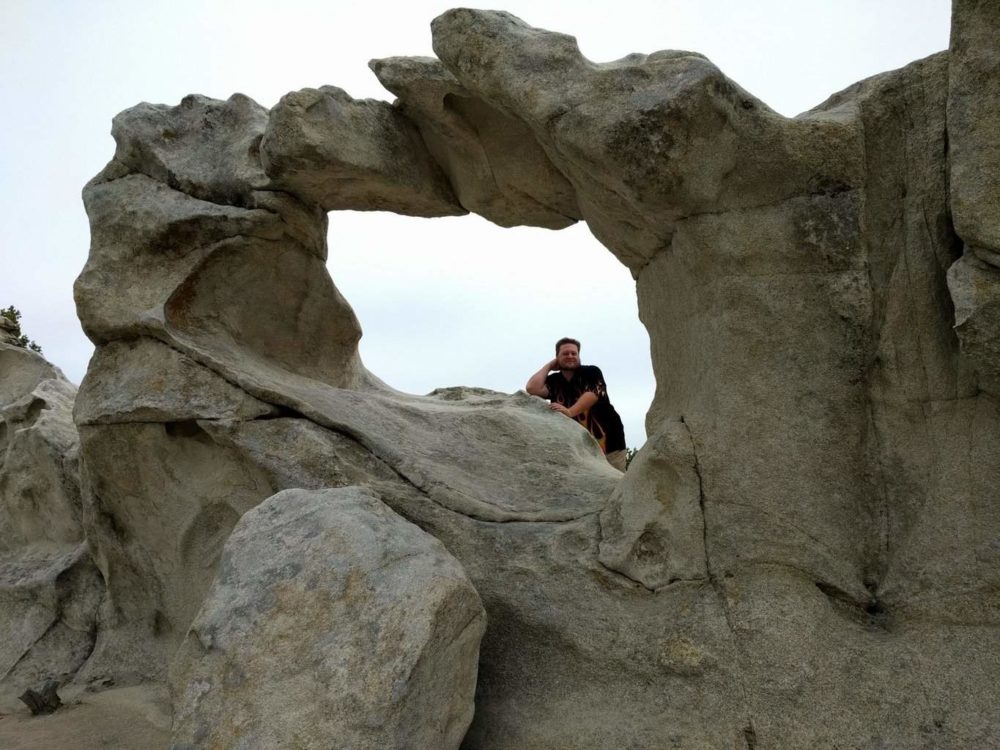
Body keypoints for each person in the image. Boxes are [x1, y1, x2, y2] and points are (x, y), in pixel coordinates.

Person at [525, 337, 628, 472]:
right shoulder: (555, 381)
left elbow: (593, 394)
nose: (570, 356)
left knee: (616, 484)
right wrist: (549, 366)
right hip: (581, 448)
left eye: (574, 353)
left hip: (610, 443)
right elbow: (532, 388)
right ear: (557, 357)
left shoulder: (591, 372)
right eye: (565, 353)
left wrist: (570, 412)